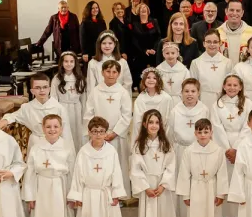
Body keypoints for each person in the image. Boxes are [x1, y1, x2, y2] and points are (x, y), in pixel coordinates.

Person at [22, 114, 75, 217]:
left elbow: (72, 172)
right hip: (41, 187)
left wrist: (72, 194)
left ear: (61, 128)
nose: (52, 130)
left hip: (60, 186)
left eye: (56, 126)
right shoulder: (36, 147)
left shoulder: (67, 147)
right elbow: (30, 172)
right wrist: (30, 196)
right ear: (43, 128)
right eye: (48, 127)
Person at [69, 116, 127, 217]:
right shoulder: (83, 152)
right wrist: (78, 196)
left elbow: (116, 173)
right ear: (89, 132)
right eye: (95, 131)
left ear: (106, 133)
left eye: (101, 131)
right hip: (88, 195)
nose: (98, 135)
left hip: (106, 194)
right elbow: (77, 174)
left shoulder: (111, 151)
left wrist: (116, 193)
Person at [168, 79, 215, 217]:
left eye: (193, 91)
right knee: (182, 181)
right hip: (180, 150)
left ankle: (199, 216)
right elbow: (170, 133)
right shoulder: (175, 111)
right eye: (186, 91)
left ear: (199, 93)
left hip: (199, 150)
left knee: (197, 181)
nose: (190, 94)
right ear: (181, 93)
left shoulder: (204, 109)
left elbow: (208, 132)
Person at [177, 118, 229, 217]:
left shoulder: (218, 151)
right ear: (195, 133)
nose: (203, 135)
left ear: (211, 132)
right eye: (199, 132)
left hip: (212, 188)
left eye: (206, 132)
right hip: (196, 188)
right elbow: (184, 173)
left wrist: (220, 194)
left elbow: (222, 173)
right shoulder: (189, 151)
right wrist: (186, 195)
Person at [83, 60, 133, 194]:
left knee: (118, 165)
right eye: (108, 71)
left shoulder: (122, 92)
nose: (111, 75)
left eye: (114, 72)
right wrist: (96, 133)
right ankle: (101, 192)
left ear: (119, 74)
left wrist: (114, 133)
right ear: (102, 72)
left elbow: (126, 115)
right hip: (98, 135)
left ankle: (119, 194)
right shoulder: (95, 91)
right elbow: (89, 113)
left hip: (116, 136)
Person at [130, 110, 178, 217]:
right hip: (147, 186)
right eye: (150, 122)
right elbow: (135, 169)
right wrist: (145, 187)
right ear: (144, 124)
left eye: (157, 122)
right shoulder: (139, 145)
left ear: (160, 125)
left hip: (162, 187)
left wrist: (163, 185)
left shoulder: (166, 144)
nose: (154, 125)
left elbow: (171, 166)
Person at [213, 74, 252, 217]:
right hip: (223, 146)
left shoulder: (248, 103)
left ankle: (240, 215)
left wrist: (236, 148)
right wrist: (227, 148)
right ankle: (225, 216)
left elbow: (248, 126)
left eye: (235, 85)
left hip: (242, 145)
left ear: (240, 87)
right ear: (224, 86)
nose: (232, 88)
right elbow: (216, 127)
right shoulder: (217, 104)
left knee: (239, 179)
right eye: (229, 85)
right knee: (225, 179)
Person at [0, 73, 72, 152]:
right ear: (32, 91)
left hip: (55, 144)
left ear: (49, 89)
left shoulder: (59, 108)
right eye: (37, 88)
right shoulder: (27, 107)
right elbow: (14, 116)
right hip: (36, 144)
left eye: (45, 87)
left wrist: (68, 151)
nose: (42, 90)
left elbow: (66, 133)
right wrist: (5, 120)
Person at [51, 52, 88, 147]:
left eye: (71, 61)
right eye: (66, 61)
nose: (69, 64)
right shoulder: (57, 79)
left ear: (75, 63)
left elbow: (83, 98)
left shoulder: (80, 78)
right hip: (63, 108)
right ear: (62, 63)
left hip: (77, 108)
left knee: (77, 132)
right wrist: (55, 114)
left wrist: (84, 114)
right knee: (65, 132)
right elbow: (53, 97)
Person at [190, 30, 232, 107]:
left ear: (220, 43)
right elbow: (193, 86)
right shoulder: (196, 63)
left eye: (215, 42)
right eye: (208, 42)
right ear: (204, 43)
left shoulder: (227, 62)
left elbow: (229, 84)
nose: (212, 45)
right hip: (202, 100)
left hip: (222, 100)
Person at [132, 68, 173, 144]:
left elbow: (169, 121)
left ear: (159, 80)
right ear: (144, 80)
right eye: (148, 77)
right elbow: (137, 122)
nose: (151, 80)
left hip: (161, 136)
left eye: (154, 78)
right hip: (144, 136)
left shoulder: (166, 98)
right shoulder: (140, 99)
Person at [217, 0, 252, 66]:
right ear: (226, 11)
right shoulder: (217, 33)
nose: (234, 13)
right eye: (231, 10)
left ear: (242, 13)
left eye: (238, 11)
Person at [132, 4, 162, 79]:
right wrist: (145, 50)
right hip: (141, 53)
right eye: (141, 8)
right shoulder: (135, 24)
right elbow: (135, 40)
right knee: (142, 77)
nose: (143, 9)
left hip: (154, 53)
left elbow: (158, 36)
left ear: (148, 11)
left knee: (155, 75)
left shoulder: (154, 21)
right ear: (138, 12)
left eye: (145, 7)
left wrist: (154, 49)